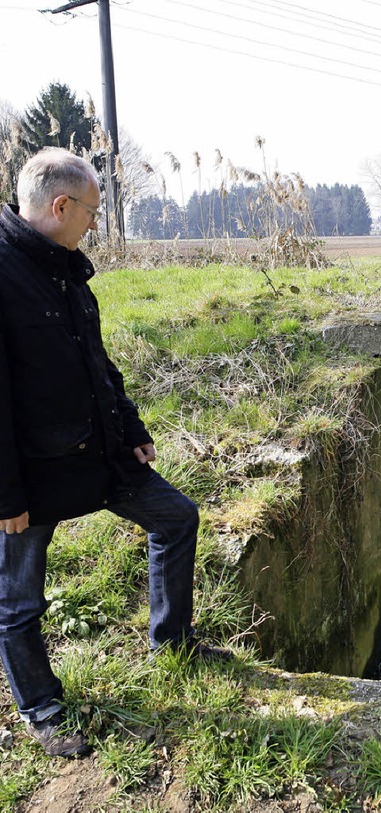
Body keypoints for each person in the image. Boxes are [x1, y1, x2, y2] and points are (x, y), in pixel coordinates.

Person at [0, 147, 226, 759]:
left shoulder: (67, 266)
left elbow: (97, 363)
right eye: (94, 212)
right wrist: (5, 496)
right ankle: (41, 707)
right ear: (60, 205)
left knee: (176, 516)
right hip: (30, 471)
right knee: (17, 598)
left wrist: (131, 429)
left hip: (97, 452)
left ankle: (171, 642)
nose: (97, 223)